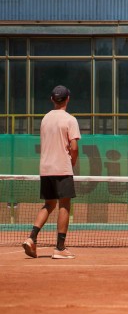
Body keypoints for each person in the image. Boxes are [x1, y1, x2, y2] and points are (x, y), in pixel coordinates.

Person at [22, 85, 81, 260]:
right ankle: (60, 248)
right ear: (68, 99)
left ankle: (31, 238)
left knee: (49, 204)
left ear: (52, 100)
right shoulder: (70, 120)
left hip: (46, 169)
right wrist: (72, 162)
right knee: (64, 205)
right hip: (62, 168)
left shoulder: (45, 119)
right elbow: (74, 147)